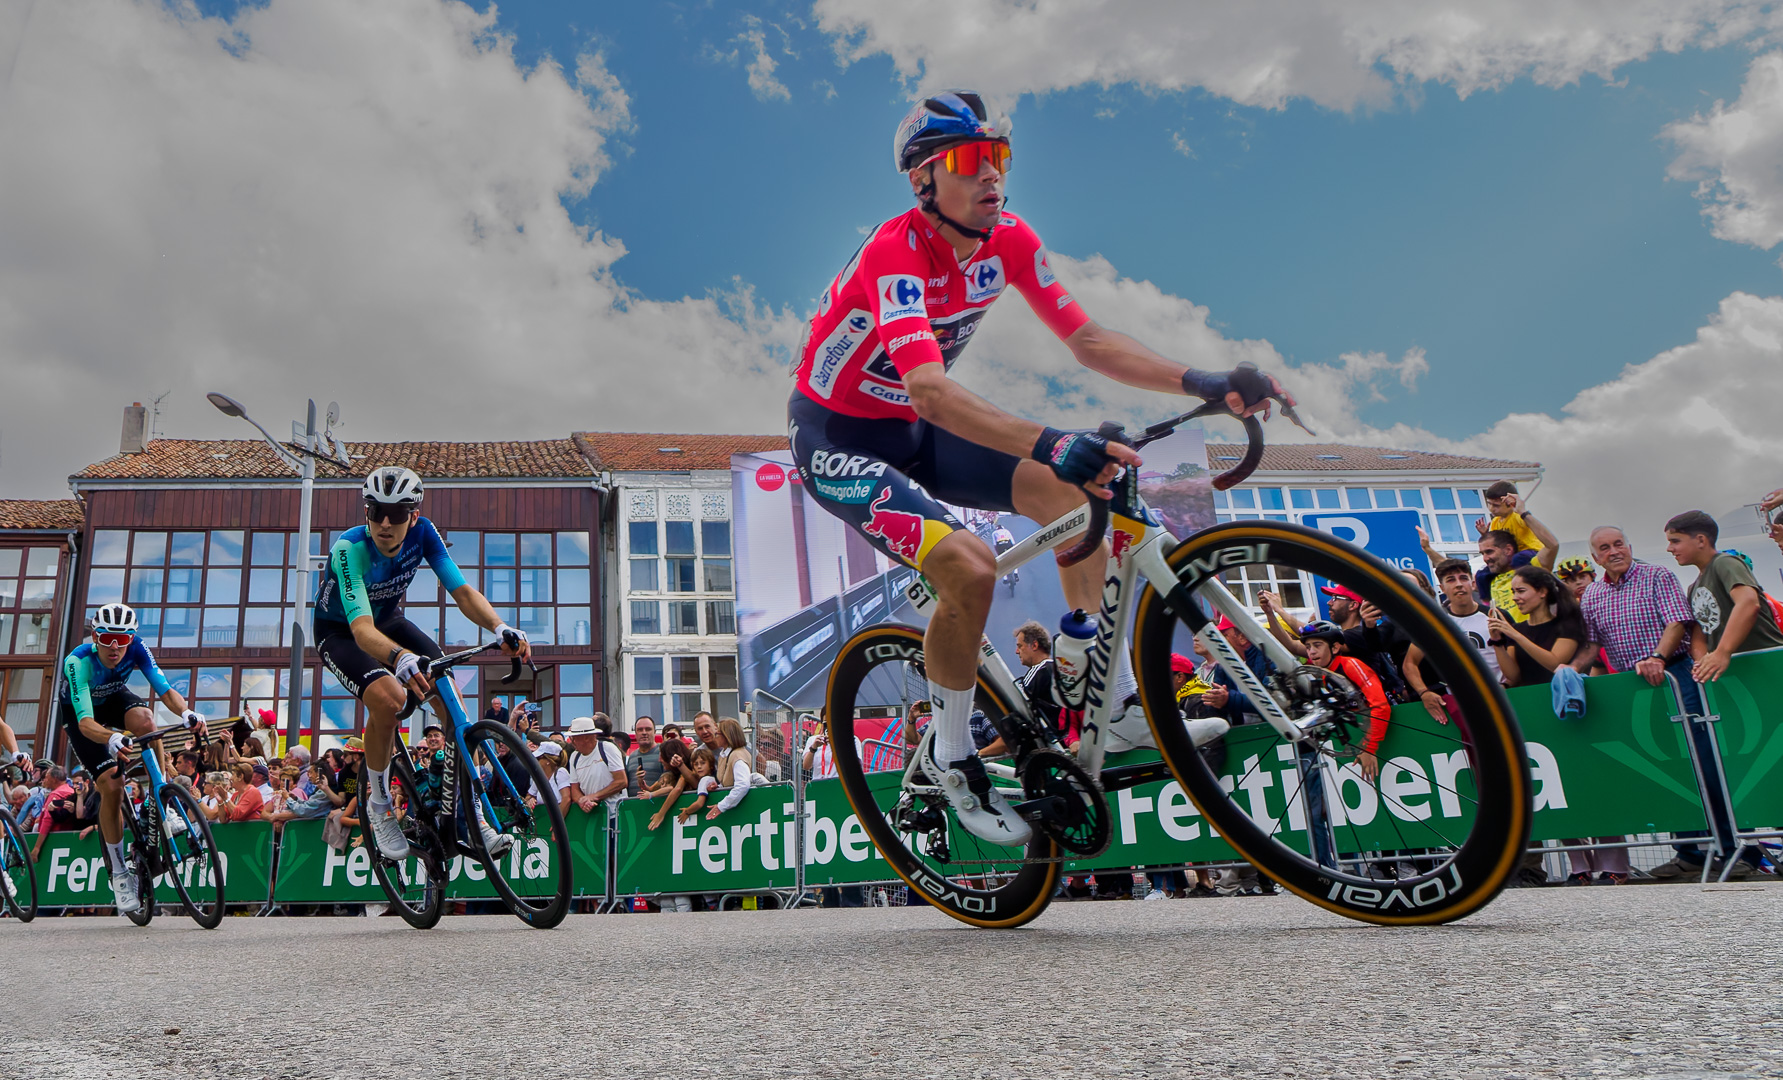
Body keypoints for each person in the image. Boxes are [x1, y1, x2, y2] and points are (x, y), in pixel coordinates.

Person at [786, 90, 1286, 846]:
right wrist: (1050, 439)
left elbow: (1089, 342)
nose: (991, 173)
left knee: (1080, 495)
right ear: (923, 181)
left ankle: (1108, 697)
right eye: (968, 159)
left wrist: (1203, 380)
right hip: (840, 437)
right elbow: (929, 389)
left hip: (918, 429)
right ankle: (954, 759)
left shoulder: (1011, 240)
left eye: (999, 156)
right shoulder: (896, 252)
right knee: (970, 567)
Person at [312, 466, 529, 859]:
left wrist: (499, 627)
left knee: (452, 702)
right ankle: (379, 807)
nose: (385, 523)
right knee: (389, 700)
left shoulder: (424, 533)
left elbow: (462, 591)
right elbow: (361, 630)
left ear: (413, 516)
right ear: (366, 513)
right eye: (376, 511)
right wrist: (399, 657)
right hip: (341, 632)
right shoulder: (349, 549)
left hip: (389, 621)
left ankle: (471, 815)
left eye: (396, 513)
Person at [56, 603, 206, 915]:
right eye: (107, 638)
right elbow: (86, 723)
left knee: (148, 722)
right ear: (95, 637)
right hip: (81, 714)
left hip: (112, 698)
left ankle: (160, 799)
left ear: (131, 639)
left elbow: (165, 690)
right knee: (113, 784)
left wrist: (186, 711)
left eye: (122, 640)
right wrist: (110, 737)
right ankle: (119, 872)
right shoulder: (78, 662)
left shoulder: (138, 647)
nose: (115, 647)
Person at [1489, 566, 1584, 688]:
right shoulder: (1517, 629)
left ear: (1542, 592)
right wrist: (1497, 641)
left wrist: (1516, 635)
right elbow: (1513, 676)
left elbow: (1555, 664)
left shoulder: (1566, 625)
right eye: (1514, 592)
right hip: (1531, 695)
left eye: (1521, 591)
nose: (1515, 598)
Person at [563, 715, 627, 817]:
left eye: (574, 738)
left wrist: (594, 796)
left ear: (586, 737)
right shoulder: (574, 757)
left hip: (616, 815)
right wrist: (582, 801)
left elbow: (622, 781)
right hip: (593, 816)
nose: (572, 742)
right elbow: (574, 788)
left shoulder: (608, 748)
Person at [1473, 481, 1551, 556]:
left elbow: (1531, 524)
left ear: (1510, 503)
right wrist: (1485, 534)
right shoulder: (1495, 522)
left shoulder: (1517, 516)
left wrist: (1520, 509)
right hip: (1514, 554)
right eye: (1489, 504)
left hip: (1531, 552)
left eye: (1496, 505)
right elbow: (1496, 544)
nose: (1491, 508)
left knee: (1517, 558)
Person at [628, 716, 661, 798]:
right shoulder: (632, 757)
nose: (644, 733)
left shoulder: (663, 752)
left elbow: (670, 782)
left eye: (648, 729)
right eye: (640, 730)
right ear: (635, 734)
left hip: (657, 803)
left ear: (655, 732)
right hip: (634, 803)